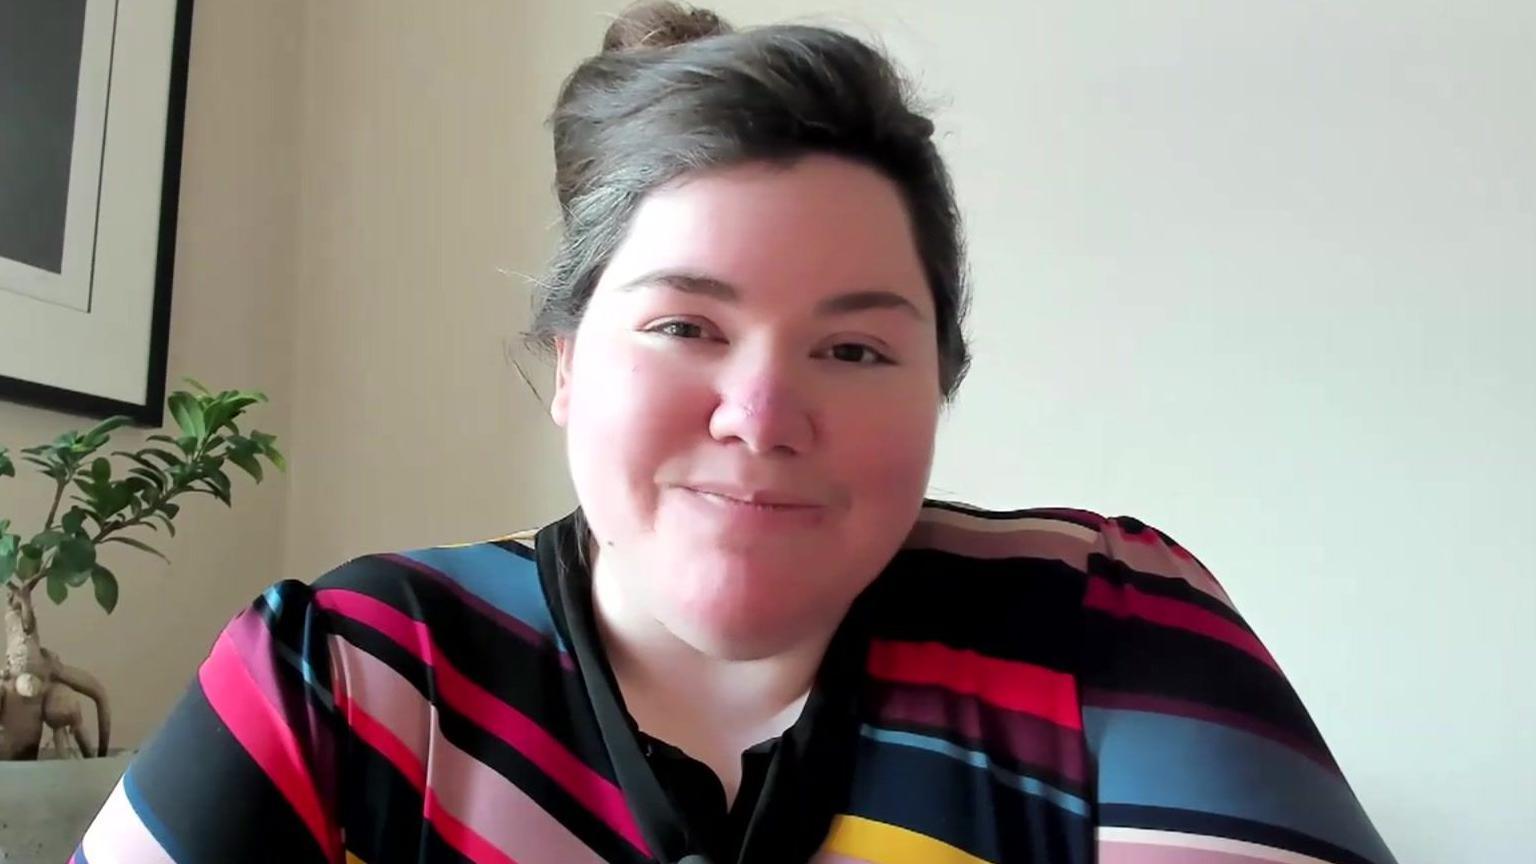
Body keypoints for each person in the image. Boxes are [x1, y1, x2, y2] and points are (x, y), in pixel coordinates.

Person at [75, 3, 1397, 863]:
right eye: (687, 328)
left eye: (855, 348)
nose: (761, 416)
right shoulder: (352, 678)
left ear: (939, 379)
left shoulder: (1102, 626)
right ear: (569, 365)